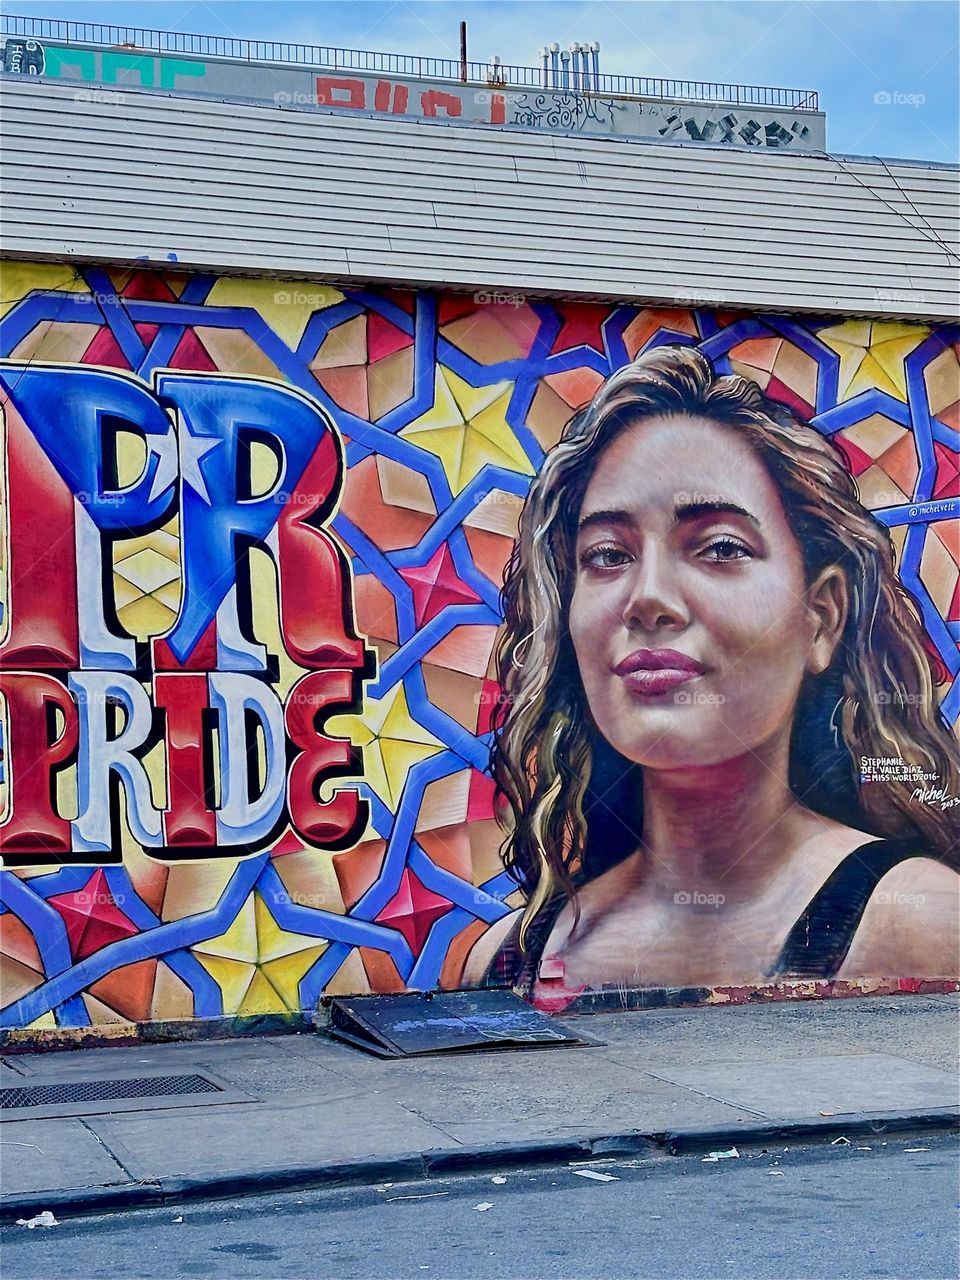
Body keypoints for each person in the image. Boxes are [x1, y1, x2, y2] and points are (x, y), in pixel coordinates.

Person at [463, 344, 959, 994]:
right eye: (608, 555)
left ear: (821, 618)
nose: (648, 599)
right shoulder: (509, 957)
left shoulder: (917, 923)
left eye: (721, 548)